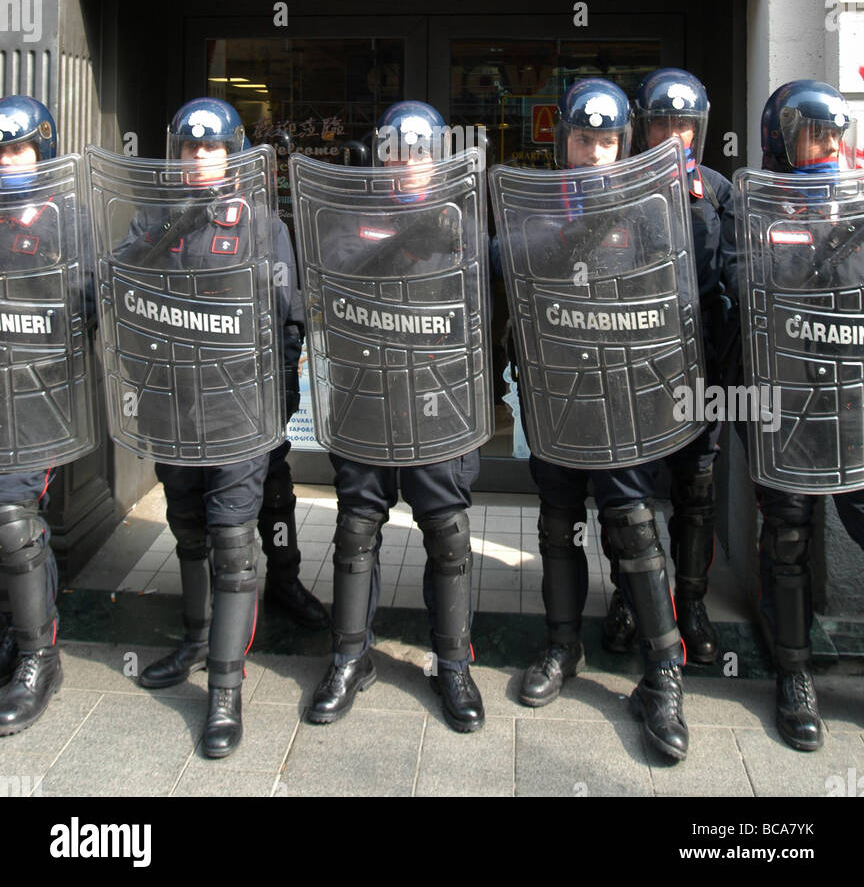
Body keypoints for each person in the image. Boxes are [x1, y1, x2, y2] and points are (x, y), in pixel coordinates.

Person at [115, 98, 321, 757]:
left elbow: (289, 321)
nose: (200, 159)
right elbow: (116, 290)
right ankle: (197, 638)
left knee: (235, 544)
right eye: (189, 149)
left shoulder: (263, 227)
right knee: (190, 531)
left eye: (212, 149)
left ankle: (226, 691)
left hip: (238, 416)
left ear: (232, 155)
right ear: (175, 156)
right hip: (174, 413)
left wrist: (279, 398)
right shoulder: (152, 220)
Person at [496, 78, 691, 759]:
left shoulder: (655, 213)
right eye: (585, 138)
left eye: (608, 140)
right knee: (556, 524)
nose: (597, 153)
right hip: (559, 395)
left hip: (627, 400)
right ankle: (561, 645)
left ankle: (662, 678)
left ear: (625, 143)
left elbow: (676, 305)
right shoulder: (537, 208)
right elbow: (514, 275)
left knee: (635, 528)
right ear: (566, 142)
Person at [306, 100, 485, 733]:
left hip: (437, 398)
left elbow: (482, 311)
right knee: (356, 527)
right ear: (380, 153)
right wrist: (408, 245)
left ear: (437, 158)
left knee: (447, 533)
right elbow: (334, 283)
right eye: (397, 149)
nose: (407, 162)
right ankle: (350, 657)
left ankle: (453, 664)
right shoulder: (347, 216)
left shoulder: (463, 219)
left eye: (421, 151)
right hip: (366, 393)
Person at [737, 80, 864, 751]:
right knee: (786, 535)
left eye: (832, 135)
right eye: (813, 135)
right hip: (786, 399)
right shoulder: (759, 208)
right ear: (780, 139)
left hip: (851, 402)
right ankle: (792, 672)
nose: (827, 148)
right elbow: (743, 287)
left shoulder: (858, 203)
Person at [602, 69, 738, 664]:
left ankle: (693, 601)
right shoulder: (616, 189)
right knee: (631, 492)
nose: (673, 136)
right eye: (663, 123)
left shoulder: (719, 191)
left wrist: (728, 380)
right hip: (634, 366)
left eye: (685, 125)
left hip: (697, 371)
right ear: (644, 126)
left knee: (695, 492)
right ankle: (630, 596)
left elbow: (736, 291)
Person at [0, 97, 81, 734]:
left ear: (43, 150)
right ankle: (14, 630)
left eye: (19, 150)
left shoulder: (67, 221)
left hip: (37, 398)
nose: (8, 163)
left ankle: (38, 657)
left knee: (12, 521)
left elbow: (89, 311)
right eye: (0, 151)